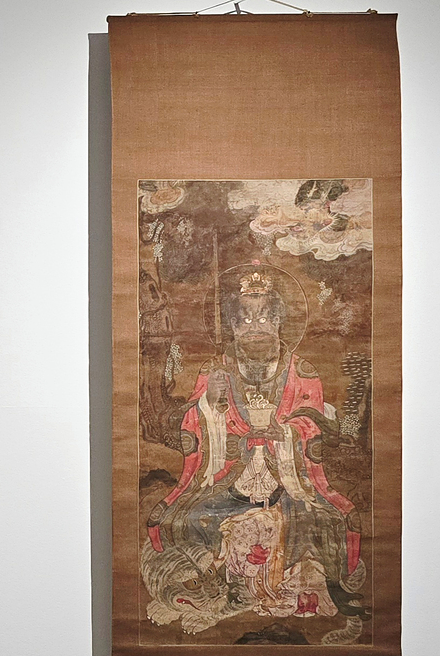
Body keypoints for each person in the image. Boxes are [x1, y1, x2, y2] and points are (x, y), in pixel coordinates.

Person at [146, 266, 362, 631]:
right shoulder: (215, 369)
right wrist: (211, 404)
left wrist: (285, 432)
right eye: (245, 320)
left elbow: (314, 425)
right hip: (229, 477)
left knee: (320, 520)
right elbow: (193, 424)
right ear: (232, 326)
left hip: (288, 481)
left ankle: (290, 589)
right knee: (186, 519)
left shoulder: (302, 372)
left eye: (264, 318)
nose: (255, 327)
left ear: (278, 322)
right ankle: (214, 591)